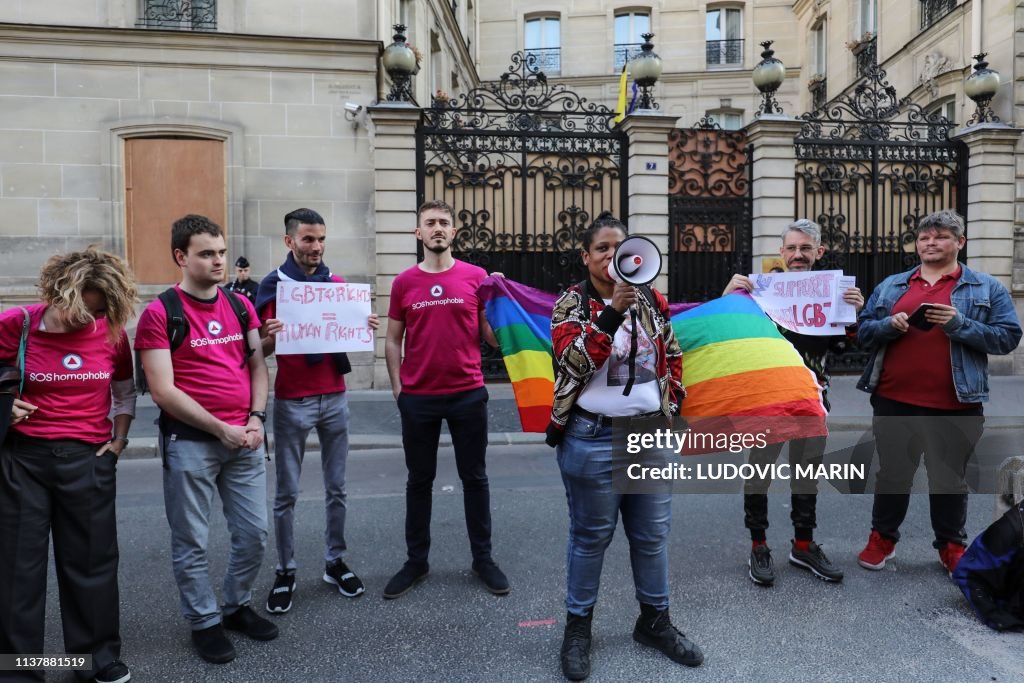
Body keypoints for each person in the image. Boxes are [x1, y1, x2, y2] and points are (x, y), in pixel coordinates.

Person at [548, 212, 703, 681]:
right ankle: (578, 629)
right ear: (586, 257)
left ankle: (654, 620)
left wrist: (671, 407)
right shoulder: (569, 304)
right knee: (591, 537)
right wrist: (613, 311)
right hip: (592, 436)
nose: (613, 257)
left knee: (652, 535)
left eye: (621, 249)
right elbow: (572, 363)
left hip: (650, 433)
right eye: (602, 249)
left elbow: (672, 354)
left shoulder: (653, 300)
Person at [136, 214, 278, 665]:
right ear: (181, 256)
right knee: (192, 540)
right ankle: (204, 621)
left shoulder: (240, 306)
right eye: (206, 253)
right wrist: (222, 428)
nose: (218, 260)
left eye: (220, 252)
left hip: (246, 438)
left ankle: (234, 606)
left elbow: (257, 367)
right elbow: (163, 390)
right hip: (191, 444)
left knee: (254, 533)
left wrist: (256, 419)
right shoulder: (160, 314)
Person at [855, 209, 1022, 575]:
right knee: (893, 475)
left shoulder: (986, 287)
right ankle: (883, 538)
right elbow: (863, 331)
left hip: (956, 402)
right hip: (894, 399)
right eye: (925, 237)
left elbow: (1008, 337)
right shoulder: (893, 285)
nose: (931, 242)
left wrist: (960, 324)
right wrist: (888, 325)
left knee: (948, 478)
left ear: (959, 242)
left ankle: (950, 545)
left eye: (941, 236)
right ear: (917, 243)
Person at [0, 248, 138, 683]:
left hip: (88, 459)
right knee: (18, 571)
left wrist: (118, 440)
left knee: (93, 565)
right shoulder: (18, 325)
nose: (88, 319)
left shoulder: (110, 331)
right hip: (24, 461)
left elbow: (124, 388)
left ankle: (93, 660)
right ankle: (20, 671)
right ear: (59, 292)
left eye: (98, 310)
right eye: (83, 307)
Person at [722, 219, 864, 586]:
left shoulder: (833, 292)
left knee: (806, 475)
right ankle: (758, 545)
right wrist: (727, 299)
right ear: (781, 253)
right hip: (765, 400)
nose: (798, 255)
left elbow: (847, 346)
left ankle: (803, 544)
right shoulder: (758, 292)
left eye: (806, 249)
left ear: (819, 253)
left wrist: (854, 315)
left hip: (811, 400)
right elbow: (728, 334)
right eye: (791, 248)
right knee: (759, 475)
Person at [383, 199, 510, 599]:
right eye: (429, 223)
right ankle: (416, 562)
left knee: (474, 478)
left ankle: (483, 559)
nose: (437, 228)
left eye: (444, 223)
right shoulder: (403, 282)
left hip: (467, 394)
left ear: (454, 233)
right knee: (419, 481)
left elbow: (492, 338)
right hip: (418, 397)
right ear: (417, 233)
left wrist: (502, 301)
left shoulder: (476, 277)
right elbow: (391, 339)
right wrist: (397, 389)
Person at [255, 208, 379, 614]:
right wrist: (268, 338)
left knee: (337, 488)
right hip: (293, 400)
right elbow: (257, 351)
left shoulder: (337, 285)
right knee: (286, 493)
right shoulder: (273, 286)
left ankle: (334, 562)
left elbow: (349, 328)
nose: (316, 246)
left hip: (335, 396)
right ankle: (285, 570)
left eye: (321, 239)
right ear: (289, 241)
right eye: (308, 239)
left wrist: (364, 323)